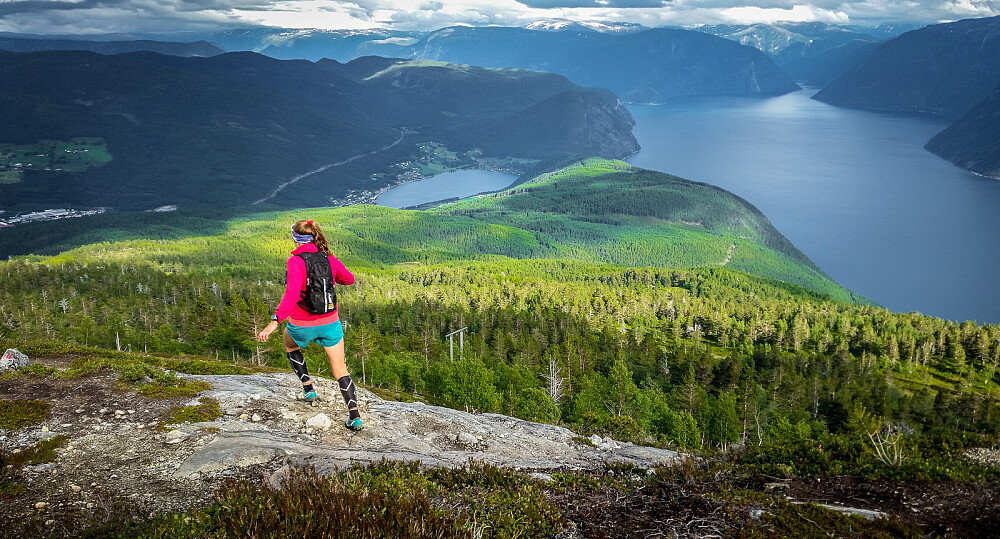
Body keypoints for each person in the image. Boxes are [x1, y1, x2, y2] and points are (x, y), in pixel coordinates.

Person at [256, 219, 363, 431]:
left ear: (296, 239)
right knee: (340, 368)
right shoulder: (329, 258)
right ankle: (355, 416)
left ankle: (308, 388)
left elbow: (292, 294)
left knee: (290, 345)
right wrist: (332, 278)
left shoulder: (295, 261)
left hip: (302, 324)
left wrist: (275, 321)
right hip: (330, 322)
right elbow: (349, 279)